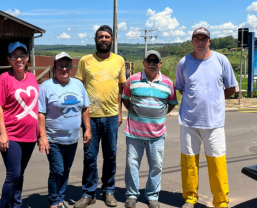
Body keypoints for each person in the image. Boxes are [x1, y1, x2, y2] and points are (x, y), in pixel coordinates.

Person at [175, 27, 237, 208]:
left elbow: (231, 87)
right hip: (188, 121)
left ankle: (221, 201)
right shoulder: (183, 62)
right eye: (197, 38)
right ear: (192, 41)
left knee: (217, 162)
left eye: (204, 39)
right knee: (188, 161)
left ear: (209, 41)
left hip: (214, 122)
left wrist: (215, 100)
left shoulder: (221, 60)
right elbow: (181, 87)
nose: (200, 42)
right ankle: (190, 198)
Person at [74, 25, 126, 208]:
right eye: (100, 36)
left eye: (107, 37)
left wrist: (120, 113)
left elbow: (120, 90)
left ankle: (109, 190)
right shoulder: (85, 61)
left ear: (112, 39)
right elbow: (78, 88)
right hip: (90, 117)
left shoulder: (119, 60)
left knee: (111, 155)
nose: (104, 39)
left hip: (111, 116)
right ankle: (89, 193)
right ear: (95, 39)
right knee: (90, 156)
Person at [122, 50, 178, 208]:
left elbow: (172, 102)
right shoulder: (132, 80)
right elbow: (126, 99)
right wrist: (136, 113)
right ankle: (132, 195)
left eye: (155, 61)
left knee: (156, 166)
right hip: (134, 132)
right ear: (144, 63)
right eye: (149, 61)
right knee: (132, 164)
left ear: (160, 64)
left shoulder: (168, 83)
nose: (152, 64)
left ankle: (152, 195)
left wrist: (159, 115)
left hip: (157, 134)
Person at [38, 52, 91, 208]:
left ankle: (60, 199)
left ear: (71, 67)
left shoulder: (78, 84)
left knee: (66, 170)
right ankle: (53, 201)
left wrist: (87, 129)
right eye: (60, 66)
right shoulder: (46, 86)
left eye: (67, 65)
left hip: (72, 138)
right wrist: (43, 136)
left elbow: (85, 108)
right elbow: (41, 113)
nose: (64, 69)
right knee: (57, 170)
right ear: (54, 68)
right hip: (53, 138)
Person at [0, 42, 39, 208]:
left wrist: (40, 133)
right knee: (13, 174)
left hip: (30, 135)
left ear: (27, 58)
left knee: (20, 173)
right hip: (12, 134)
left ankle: (16, 204)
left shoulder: (33, 77)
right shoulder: (4, 78)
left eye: (22, 55)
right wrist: (3, 133)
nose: (19, 59)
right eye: (14, 56)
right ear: (9, 59)